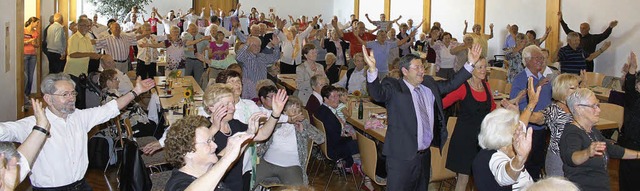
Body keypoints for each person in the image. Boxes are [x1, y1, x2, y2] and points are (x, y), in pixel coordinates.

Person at [0, 72, 154, 189]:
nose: (71, 98)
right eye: (64, 94)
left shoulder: (80, 117)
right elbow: (5, 130)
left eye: (73, 93)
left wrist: (136, 92)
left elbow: (110, 109)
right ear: (48, 99)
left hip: (81, 186)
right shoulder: (32, 124)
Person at [364, 43, 482, 190]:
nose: (422, 71)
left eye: (422, 67)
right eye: (417, 68)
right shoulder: (395, 87)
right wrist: (372, 69)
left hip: (424, 156)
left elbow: (451, 84)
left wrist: (470, 63)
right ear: (405, 71)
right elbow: (377, 93)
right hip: (401, 157)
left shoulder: (429, 85)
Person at [203, 83, 288, 191]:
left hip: (237, 184)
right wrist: (214, 128)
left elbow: (262, 135)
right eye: (226, 104)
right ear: (211, 107)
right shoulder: (203, 128)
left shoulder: (235, 125)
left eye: (233, 103)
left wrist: (275, 114)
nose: (232, 108)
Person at [560, 88, 640, 191]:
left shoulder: (592, 130)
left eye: (598, 105)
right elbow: (572, 158)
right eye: (594, 106)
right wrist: (587, 152)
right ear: (578, 108)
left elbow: (612, 149)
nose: (599, 110)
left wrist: (638, 155)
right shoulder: (572, 133)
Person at [442, 58, 496, 191]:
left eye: (485, 67)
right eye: (480, 68)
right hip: (464, 139)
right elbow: (442, 103)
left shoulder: (486, 86)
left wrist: (509, 104)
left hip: (482, 139)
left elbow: (493, 109)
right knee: (463, 179)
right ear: (471, 70)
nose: (484, 70)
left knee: (481, 177)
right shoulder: (463, 87)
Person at [164, 115, 254, 191]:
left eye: (212, 140)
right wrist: (227, 159)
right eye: (208, 142)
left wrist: (248, 134)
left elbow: (226, 153)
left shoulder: (208, 169)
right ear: (187, 152)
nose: (215, 145)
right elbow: (225, 160)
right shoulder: (178, 184)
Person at [255, 97, 325, 186]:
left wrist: (304, 130)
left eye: (299, 111)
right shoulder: (275, 122)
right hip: (268, 162)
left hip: (291, 166)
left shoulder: (303, 123)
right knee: (248, 181)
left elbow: (321, 138)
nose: (297, 114)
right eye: (293, 111)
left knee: (298, 187)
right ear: (284, 112)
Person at [509, 45, 553, 181]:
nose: (541, 60)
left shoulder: (544, 77)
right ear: (527, 61)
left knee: (537, 164)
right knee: (527, 165)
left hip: (543, 127)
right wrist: (536, 86)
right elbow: (516, 104)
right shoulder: (520, 79)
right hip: (529, 129)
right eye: (537, 58)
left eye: (542, 57)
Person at [527, 73, 581, 177]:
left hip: (577, 156)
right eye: (573, 88)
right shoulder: (554, 109)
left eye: (578, 86)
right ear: (562, 90)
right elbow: (537, 118)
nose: (578, 91)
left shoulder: (578, 107)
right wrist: (524, 110)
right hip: (558, 158)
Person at [99, 69, 158, 138]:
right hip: (128, 129)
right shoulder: (109, 97)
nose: (119, 81)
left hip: (131, 123)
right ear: (109, 83)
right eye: (116, 79)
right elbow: (122, 110)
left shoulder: (109, 94)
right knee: (157, 126)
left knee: (156, 121)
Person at [314, 85, 360, 171]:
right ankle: (359, 170)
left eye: (337, 96)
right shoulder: (329, 117)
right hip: (333, 149)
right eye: (333, 97)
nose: (337, 99)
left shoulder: (320, 110)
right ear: (325, 99)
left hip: (325, 145)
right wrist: (350, 137)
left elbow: (333, 134)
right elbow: (337, 140)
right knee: (365, 144)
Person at [618, 51, 640, 190]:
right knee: (627, 180)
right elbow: (630, 87)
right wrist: (632, 68)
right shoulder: (635, 99)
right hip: (630, 144)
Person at [181, 23, 211, 88]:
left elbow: (210, 46)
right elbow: (182, 48)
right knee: (186, 78)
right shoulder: (185, 37)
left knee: (199, 79)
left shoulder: (202, 37)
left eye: (195, 29)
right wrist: (187, 49)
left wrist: (206, 48)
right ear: (188, 30)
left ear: (197, 29)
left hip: (198, 60)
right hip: (188, 60)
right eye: (191, 29)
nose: (193, 30)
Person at [24, 17, 40, 104]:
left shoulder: (35, 32)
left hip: (33, 55)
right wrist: (28, 41)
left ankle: (27, 95)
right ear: (32, 22)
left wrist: (35, 44)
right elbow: (20, 42)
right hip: (25, 54)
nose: (37, 25)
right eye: (37, 23)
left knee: (30, 77)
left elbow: (37, 45)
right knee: (25, 76)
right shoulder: (23, 30)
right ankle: (24, 97)